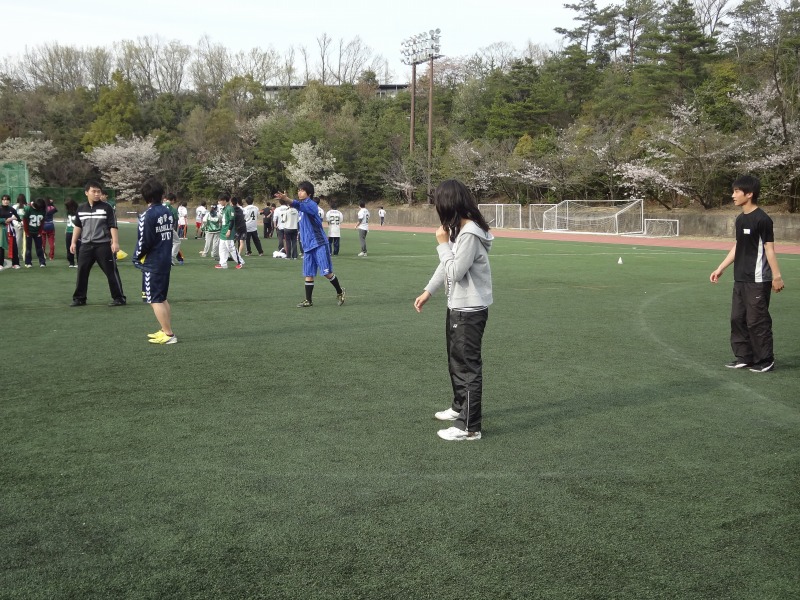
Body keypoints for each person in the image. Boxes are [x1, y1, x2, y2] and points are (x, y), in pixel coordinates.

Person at [414, 179, 494, 442]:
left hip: (469, 309)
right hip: (458, 306)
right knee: (456, 361)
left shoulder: (469, 233)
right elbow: (445, 266)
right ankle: (460, 407)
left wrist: (441, 244)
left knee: (468, 366)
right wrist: (428, 291)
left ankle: (469, 427)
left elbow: (456, 271)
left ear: (448, 203)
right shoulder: (460, 230)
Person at [710, 175, 785, 373]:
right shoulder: (740, 219)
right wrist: (721, 267)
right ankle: (745, 357)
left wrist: (777, 276)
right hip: (740, 278)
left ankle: (765, 360)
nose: (733, 195)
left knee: (756, 321)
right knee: (737, 318)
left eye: (737, 191)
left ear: (749, 194)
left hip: (758, 279)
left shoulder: (763, 219)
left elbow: (769, 249)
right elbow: (738, 246)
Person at [274, 181, 345, 307]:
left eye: (302, 190)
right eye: (298, 190)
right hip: (307, 246)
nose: (299, 192)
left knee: (326, 272)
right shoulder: (301, 207)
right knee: (308, 273)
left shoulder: (311, 205)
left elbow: (296, 204)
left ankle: (340, 291)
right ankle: (308, 300)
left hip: (318, 243)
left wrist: (286, 199)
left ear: (309, 193)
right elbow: (297, 207)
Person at [133, 177, 177, 345]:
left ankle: (169, 334)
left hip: (153, 262)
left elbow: (144, 241)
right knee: (161, 297)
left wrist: (136, 257)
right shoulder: (167, 211)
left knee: (154, 299)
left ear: (146, 196)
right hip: (165, 259)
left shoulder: (147, 215)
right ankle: (165, 329)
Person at [70, 180, 126, 307]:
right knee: (82, 272)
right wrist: (73, 242)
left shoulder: (107, 208)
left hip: (103, 245)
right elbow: (78, 226)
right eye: (93, 191)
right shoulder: (81, 208)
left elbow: (113, 226)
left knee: (111, 272)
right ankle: (79, 298)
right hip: (85, 245)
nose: (96, 194)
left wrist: (115, 242)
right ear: (86, 193)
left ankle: (119, 298)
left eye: (98, 192)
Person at [216, 193, 243, 269]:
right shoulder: (224, 208)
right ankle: (223, 263)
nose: (219, 202)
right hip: (223, 231)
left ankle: (240, 262)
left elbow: (231, 220)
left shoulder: (230, 208)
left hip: (228, 231)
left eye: (220, 200)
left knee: (231, 248)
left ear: (225, 200)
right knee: (222, 249)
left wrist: (229, 230)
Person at [22, 198, 47, 268]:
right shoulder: (28, 209)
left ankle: (42, 262)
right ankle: (28, 262)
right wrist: (27, 232)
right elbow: (25, 221)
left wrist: (40, 232)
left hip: (37, 231)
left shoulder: (43, 210)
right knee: (28, 248)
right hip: (29, 231)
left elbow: (42, 222)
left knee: (39, 248)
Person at [1, 194, 20, 269]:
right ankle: (0, 264)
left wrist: (18, 221)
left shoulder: (12, 209)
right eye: (4, 200)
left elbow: (18, 218)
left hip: (10, 230)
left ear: (9, 201)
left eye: (7, 200)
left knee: (14, 246)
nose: (5, 201)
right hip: (1, 230)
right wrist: (5, 220)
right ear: (2, 201)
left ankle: (15, 263)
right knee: (1, 246)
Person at [163, 193, 183, 266]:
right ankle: (171, 259)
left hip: (158, 228)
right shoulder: (173, 209)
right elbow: (175, 219)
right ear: (173, 200)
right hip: (168, 227)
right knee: (177, 242)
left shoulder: (160, 206)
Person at [64, 198, 80, 268]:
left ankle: (79, 262)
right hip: (69, 231)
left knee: (79, 247)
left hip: (77, 232)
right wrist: (66, 229)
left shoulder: (78, 211)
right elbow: (68, 221)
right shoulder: (68, 212)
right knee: (69, 247)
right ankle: (71, 262)